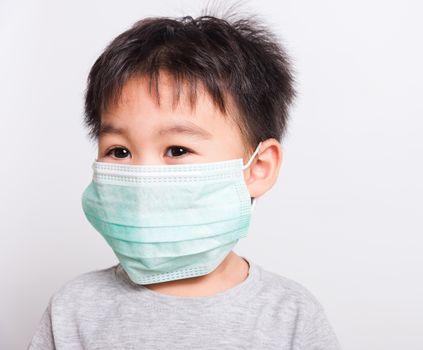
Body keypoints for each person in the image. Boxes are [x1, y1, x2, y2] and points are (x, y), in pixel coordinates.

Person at [27, 13, 341, 350]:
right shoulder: (73, 311)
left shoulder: (291, 317)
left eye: (177, 149)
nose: (144, 179)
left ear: (257, 168)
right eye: (119, 151)